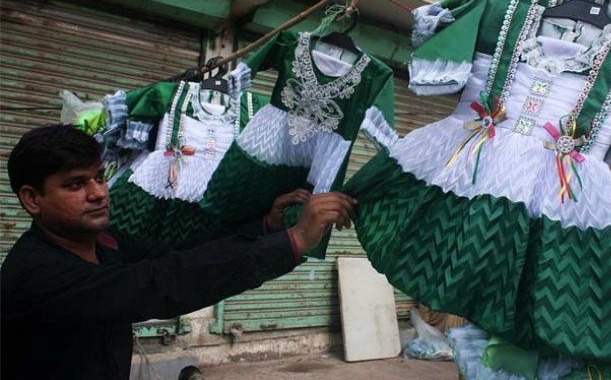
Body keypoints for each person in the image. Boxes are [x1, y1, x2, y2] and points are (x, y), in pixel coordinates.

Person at [1, 124, 356, 380]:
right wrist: (292, 242)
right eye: (76, 184)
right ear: (33, 199)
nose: (98, 193)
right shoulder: (38, 274)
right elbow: (163, 281)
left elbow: (180, 252)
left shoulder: (104, 242)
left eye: (99, 177)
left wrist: (266, 226)